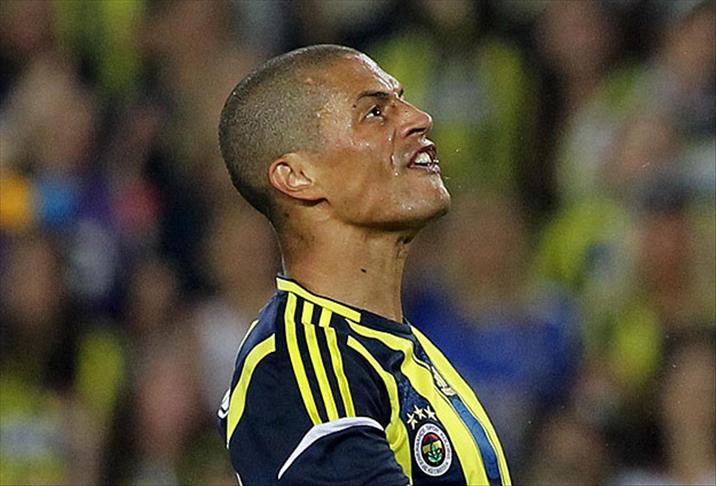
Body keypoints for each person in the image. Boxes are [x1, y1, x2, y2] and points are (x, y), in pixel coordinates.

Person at [216, 44, 511, 485]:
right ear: (297, 176)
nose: (419, 118)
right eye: (375, 113)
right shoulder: (301, 367)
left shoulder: (391, 347)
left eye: (401, 102)